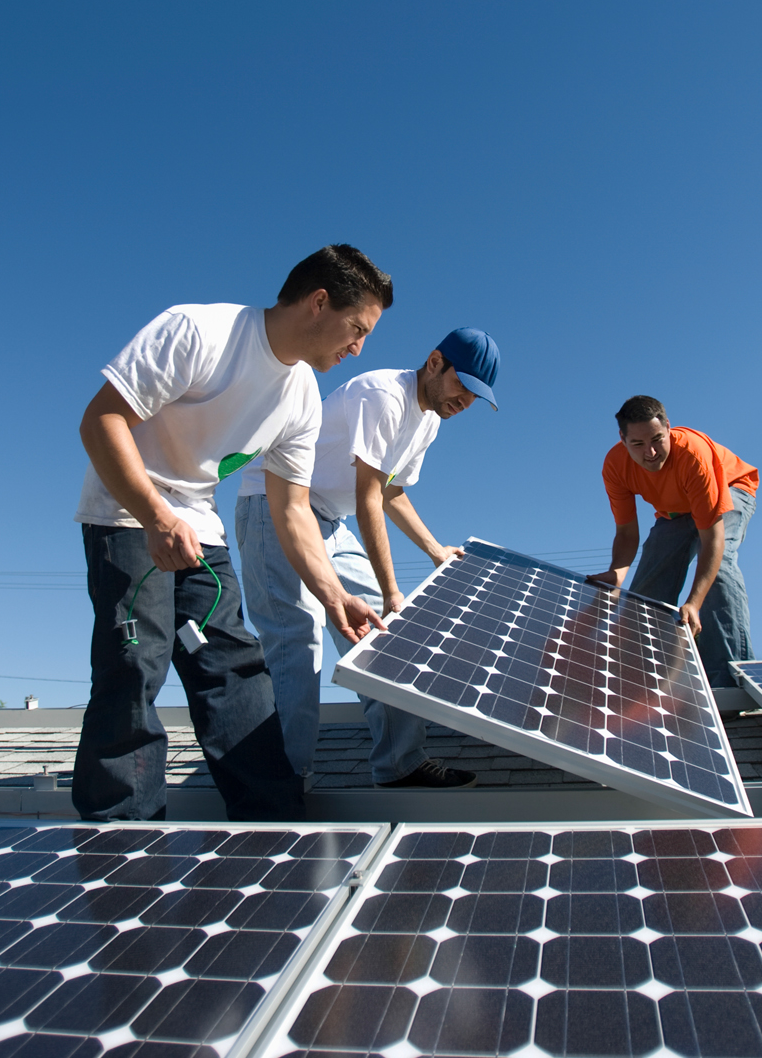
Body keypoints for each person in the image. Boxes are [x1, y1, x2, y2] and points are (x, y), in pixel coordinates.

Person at [72, 245, 391, 822]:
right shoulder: (200, 330)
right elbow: (101, 420)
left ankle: (272, 826)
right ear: (320, 302)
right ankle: (120, 842)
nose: (358, 347)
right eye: (357, 329)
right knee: (135, 663)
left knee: (234, 665)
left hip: (197, 524)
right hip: (126, 512)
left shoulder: (301, 400)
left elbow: (291, 510)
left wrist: (334, 594)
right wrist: (153, 514)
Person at [235, 327, 502, 789]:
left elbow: (393, 492)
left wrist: (436, 551)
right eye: (463, 385)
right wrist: (393, 589)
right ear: (435, 362)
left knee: (385, 632)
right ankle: (282, 785)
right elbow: (369, 499)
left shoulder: (430, 421)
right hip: (273, 505)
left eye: (477, 396)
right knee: (297, 643)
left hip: (328, 521)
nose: (466, 401)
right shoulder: (383, 395)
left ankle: (401, 764)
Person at [589, 395, 759, 687]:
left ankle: (729, 677)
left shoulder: (693, 457)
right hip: (675, 511)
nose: (651, 452)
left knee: (718, 571)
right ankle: (638, 672)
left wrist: (693, 603)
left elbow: (712, 539)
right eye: (638, 445)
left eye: (657, 439)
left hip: (730, 489)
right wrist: (617, 575)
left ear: (668, 427)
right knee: (650, 583)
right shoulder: (615, 466)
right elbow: (628, 534)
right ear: (623, 439)